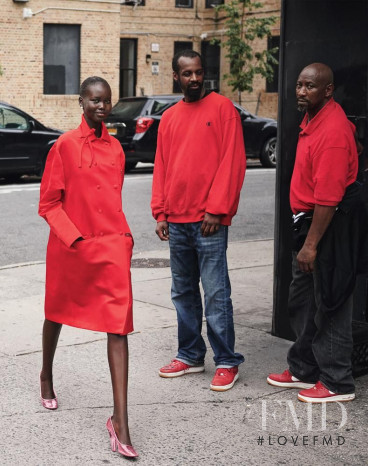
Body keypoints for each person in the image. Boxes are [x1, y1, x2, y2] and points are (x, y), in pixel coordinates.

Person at [39, 76, 138, 459]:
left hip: (112, 248)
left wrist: (123, 238)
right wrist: (76, 239)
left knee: (119, 326)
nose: (101, 106)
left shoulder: (116, 149)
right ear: (81, 102)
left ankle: (121, 422)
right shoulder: (63, 145)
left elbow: (111, 198)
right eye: (94, 100)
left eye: (107, 101)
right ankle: (46, 373)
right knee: (56, 314)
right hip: (71, 247)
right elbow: (48, 203)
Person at [267, 63, 365, 403]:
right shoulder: (313, 119)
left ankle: (337, 382)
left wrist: (311, 246)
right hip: (308, 224)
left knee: (332, 303)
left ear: (328, 90)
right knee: (303, 300)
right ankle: (303, 368)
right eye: (298, 85)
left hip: (328, 228)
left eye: (309, 86)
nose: (300, 91)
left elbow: (328, 198)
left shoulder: (333, 131)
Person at [151, 49, 246, 391]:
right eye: (187, 73)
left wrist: (217, 210)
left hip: (209, 221)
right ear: (176, 77)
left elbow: (233, 163)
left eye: (198, 72)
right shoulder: (171, 117)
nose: (194, 78)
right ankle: (190, 354)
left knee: (216, 293)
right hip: (176, 220)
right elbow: (162, 165)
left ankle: (226, 361)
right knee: (183, 292)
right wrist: (160, 212)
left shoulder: (223, 109)